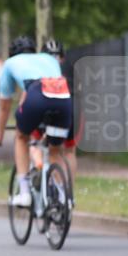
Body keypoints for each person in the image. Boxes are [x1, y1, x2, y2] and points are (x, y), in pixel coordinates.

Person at [0, 35, 73, 207]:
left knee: (21, 136)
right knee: (55, 150)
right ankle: (62, 197)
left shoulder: (10, 64)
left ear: (11, 54)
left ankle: (25, 194)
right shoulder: (48, 59)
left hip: (37, 94)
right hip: (63, 95)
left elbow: (5, 107)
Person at [40, 38, 79, 180]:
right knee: (70, 151)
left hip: (51, 109)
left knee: (54, 151)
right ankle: (69, 195)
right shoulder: (70, 66)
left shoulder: (41, 68)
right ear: (62, 56)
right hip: (73, 107)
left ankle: (58, 192)